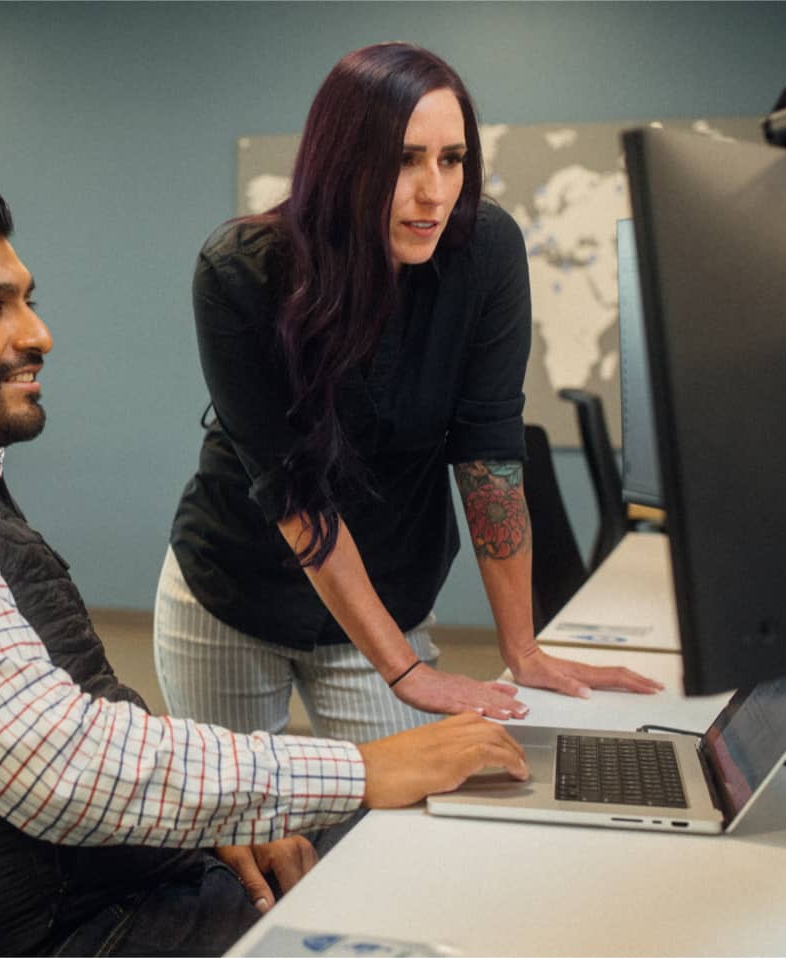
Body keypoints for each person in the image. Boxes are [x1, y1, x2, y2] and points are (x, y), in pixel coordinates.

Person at [0, 175, 528, 956]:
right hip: (86, 930)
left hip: (121, 892)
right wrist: (361, 770)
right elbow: (60, 765)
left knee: (446, 860)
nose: (37, 333)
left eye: (26, 301)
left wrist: (218, 819)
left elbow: (73, 735)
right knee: (452, 892)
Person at [156, 42, 661, 744]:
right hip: (233, 591)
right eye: (403, 160)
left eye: (451, 160)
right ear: (340, 161)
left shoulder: (485, 250)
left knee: (411, 798)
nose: (435, 192)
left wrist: (523, 648)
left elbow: (488, 454)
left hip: (391, 592)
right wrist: (405, 671)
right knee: (241, 810)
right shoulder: (241, 270)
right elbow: (296, 493)